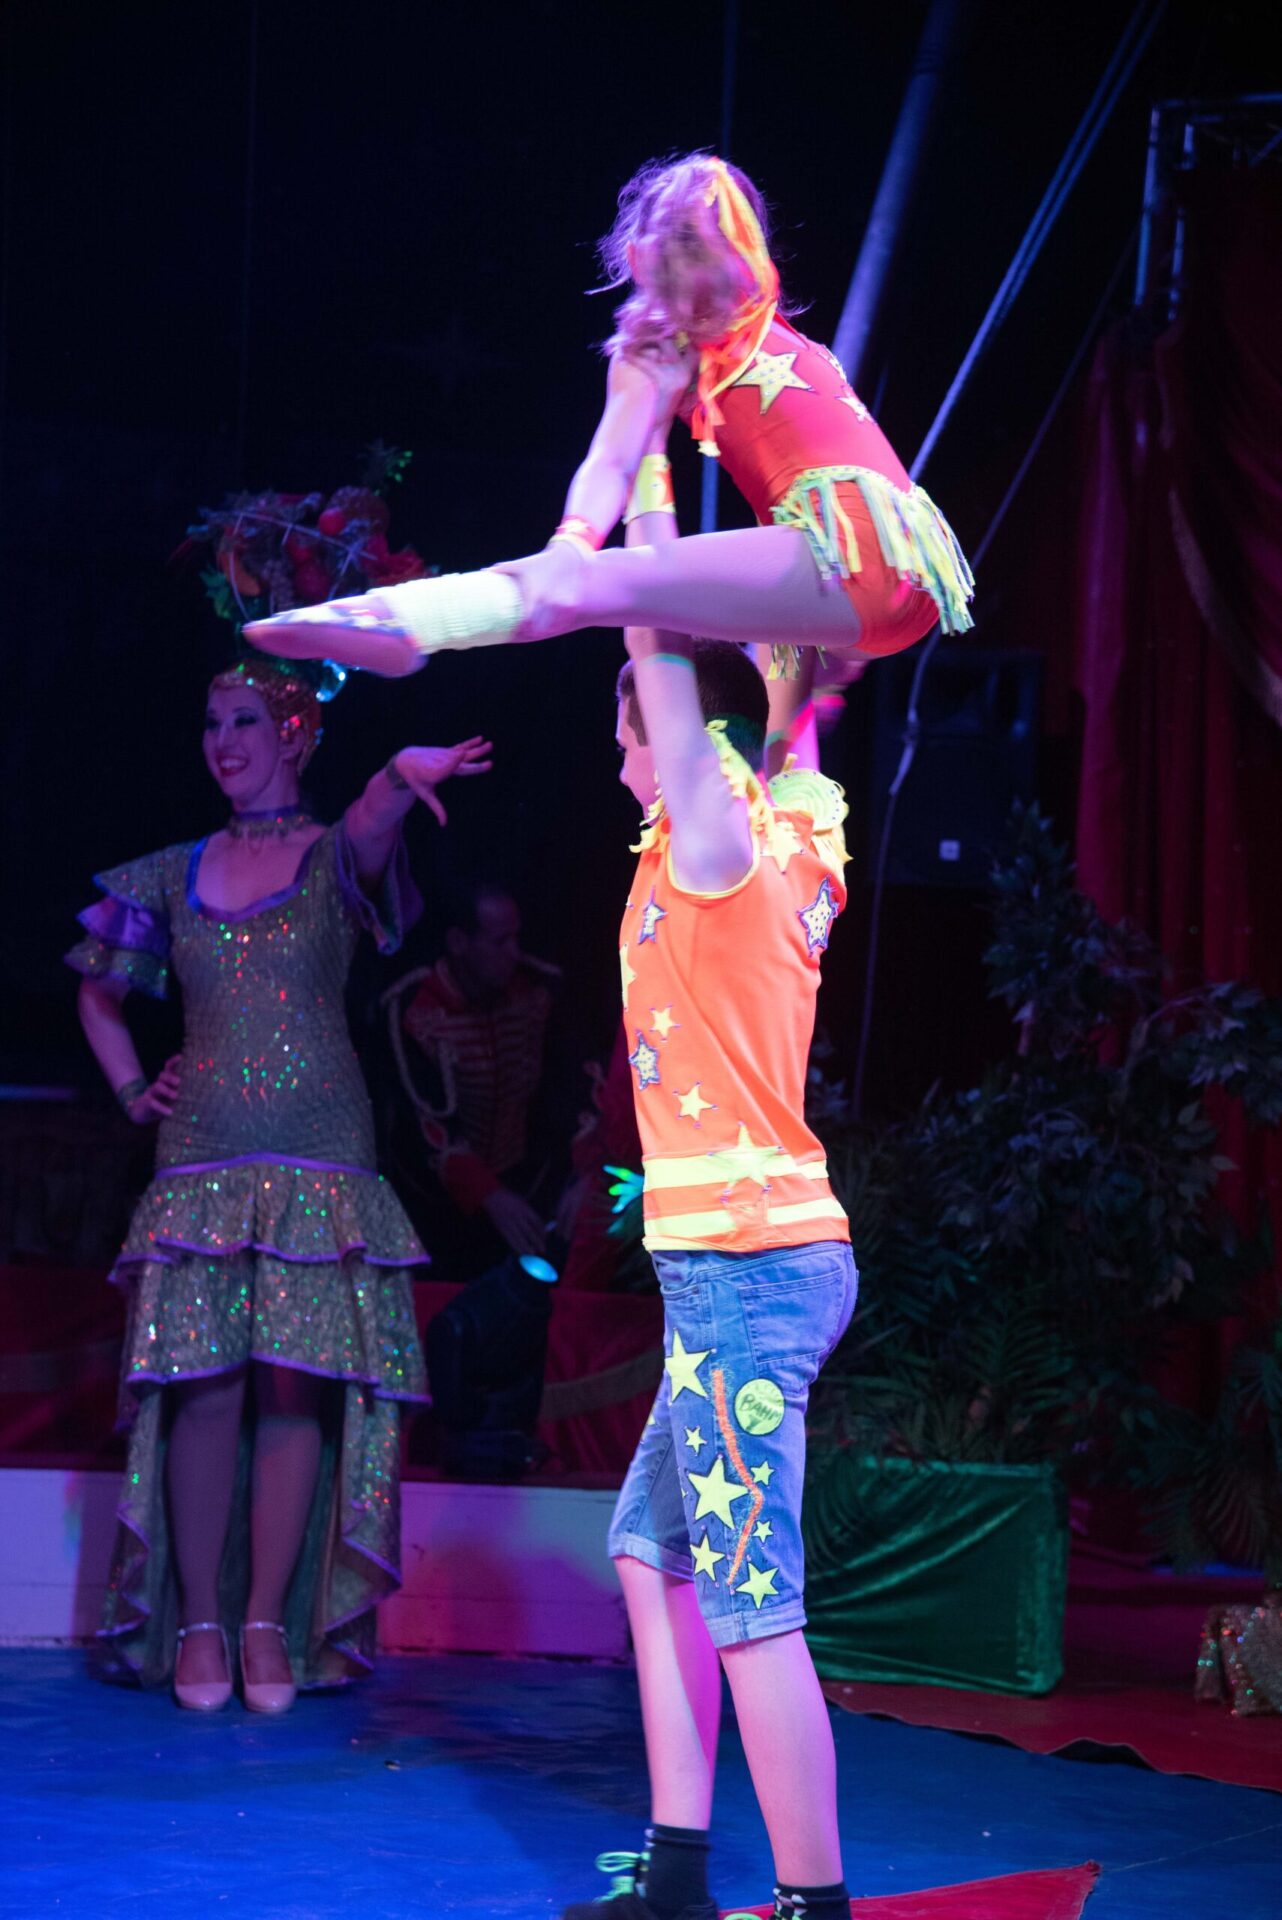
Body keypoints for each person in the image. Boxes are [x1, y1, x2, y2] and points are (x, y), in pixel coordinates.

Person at [68, 654, 490, 1712]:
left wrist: (397, 777)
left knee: (295, 1386)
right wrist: (133, 1091)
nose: (224, 742)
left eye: (246, 721)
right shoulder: (172, 872)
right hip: (202, 1156)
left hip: (321, 1155)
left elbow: (373, 823)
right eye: (212, 723)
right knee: (204, 1387)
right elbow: (99, 994)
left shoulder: (333, 856)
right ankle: (200, 1626)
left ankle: (266, 1623)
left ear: (295, 733)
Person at [555, 485, 858, 1920]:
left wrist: (641, 487)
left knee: (749, 1601)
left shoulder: (718, 849)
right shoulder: (794, 826)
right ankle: (679, 1872)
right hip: (749, 1258)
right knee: (651, 1549)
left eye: (635, 727)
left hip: (742, 1262)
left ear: (679, 737)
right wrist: (794, 650)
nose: (624, 751)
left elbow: (675, 669)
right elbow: (792, 710)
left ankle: (812, 1904)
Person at [243, 154, 970, 682]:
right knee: (600, 587)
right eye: (678, 273)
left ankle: (403, 619)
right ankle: (397, 622)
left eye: (705, 270)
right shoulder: (662, 352)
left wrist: (575, 554)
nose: (695, 301)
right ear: (642, 260)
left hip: (870, 555)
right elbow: (612, 461)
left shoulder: (760, 327)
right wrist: (573, 539)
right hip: (883, 593)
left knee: (596, 587)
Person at [385, 880, 561, 1279]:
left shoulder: (539, 990)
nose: (513, 953)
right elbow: (422, 1118)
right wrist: (486, 1192)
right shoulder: (415, 1008)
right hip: (437, 1212)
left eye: (516, 938)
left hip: (528, 1189)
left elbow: (567, 1091)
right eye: (499, 942)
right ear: (459, 942)